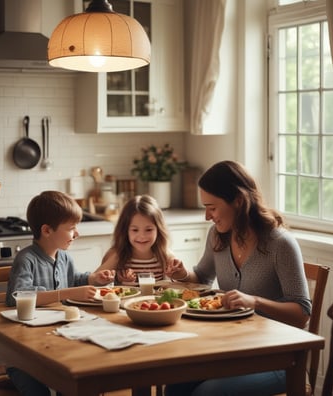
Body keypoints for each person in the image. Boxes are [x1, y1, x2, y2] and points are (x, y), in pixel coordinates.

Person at [165, 160, 311, 396]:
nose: (206, 216)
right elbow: (202, 277)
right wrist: (182, 274)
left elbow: (302, 314)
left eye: (212, 207)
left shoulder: (280, 243)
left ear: (239, 201)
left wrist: (255, 301)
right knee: (175, 384)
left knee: (207, 393)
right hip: (235, 349)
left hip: (279, 359)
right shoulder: (218, 235)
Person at [5, 190, 115, 396]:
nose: (77, 234)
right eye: (72, 228)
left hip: (59, 344)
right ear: (47, 230)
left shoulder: (65, 258)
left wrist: (92, 279)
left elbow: (74, 280)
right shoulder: (26, 259)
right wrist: (67, 293)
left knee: (77, 385)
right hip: (24, 354)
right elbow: (18, 296)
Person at [94, 194, 182, 285]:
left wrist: (176, 274)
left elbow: (179, 284)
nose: (142, 236)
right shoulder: (116, 255)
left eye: (149, 230)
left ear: (158, 230)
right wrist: (120, 281)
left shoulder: (165, 255)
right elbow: (94, 281)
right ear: (125, 230)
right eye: (135, 230)